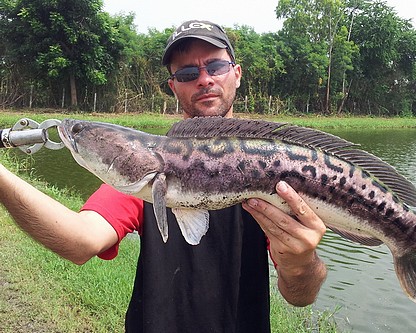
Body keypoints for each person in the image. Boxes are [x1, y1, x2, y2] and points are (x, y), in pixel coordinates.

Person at [0, 20, 327, 332]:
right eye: (187, 73)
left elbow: (301, 296)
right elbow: (80, 240)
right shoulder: (143, 165)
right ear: (173, 86)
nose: (204, 79)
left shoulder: (275, 164)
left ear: (236, 74)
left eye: (215, 67)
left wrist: (300, 261)